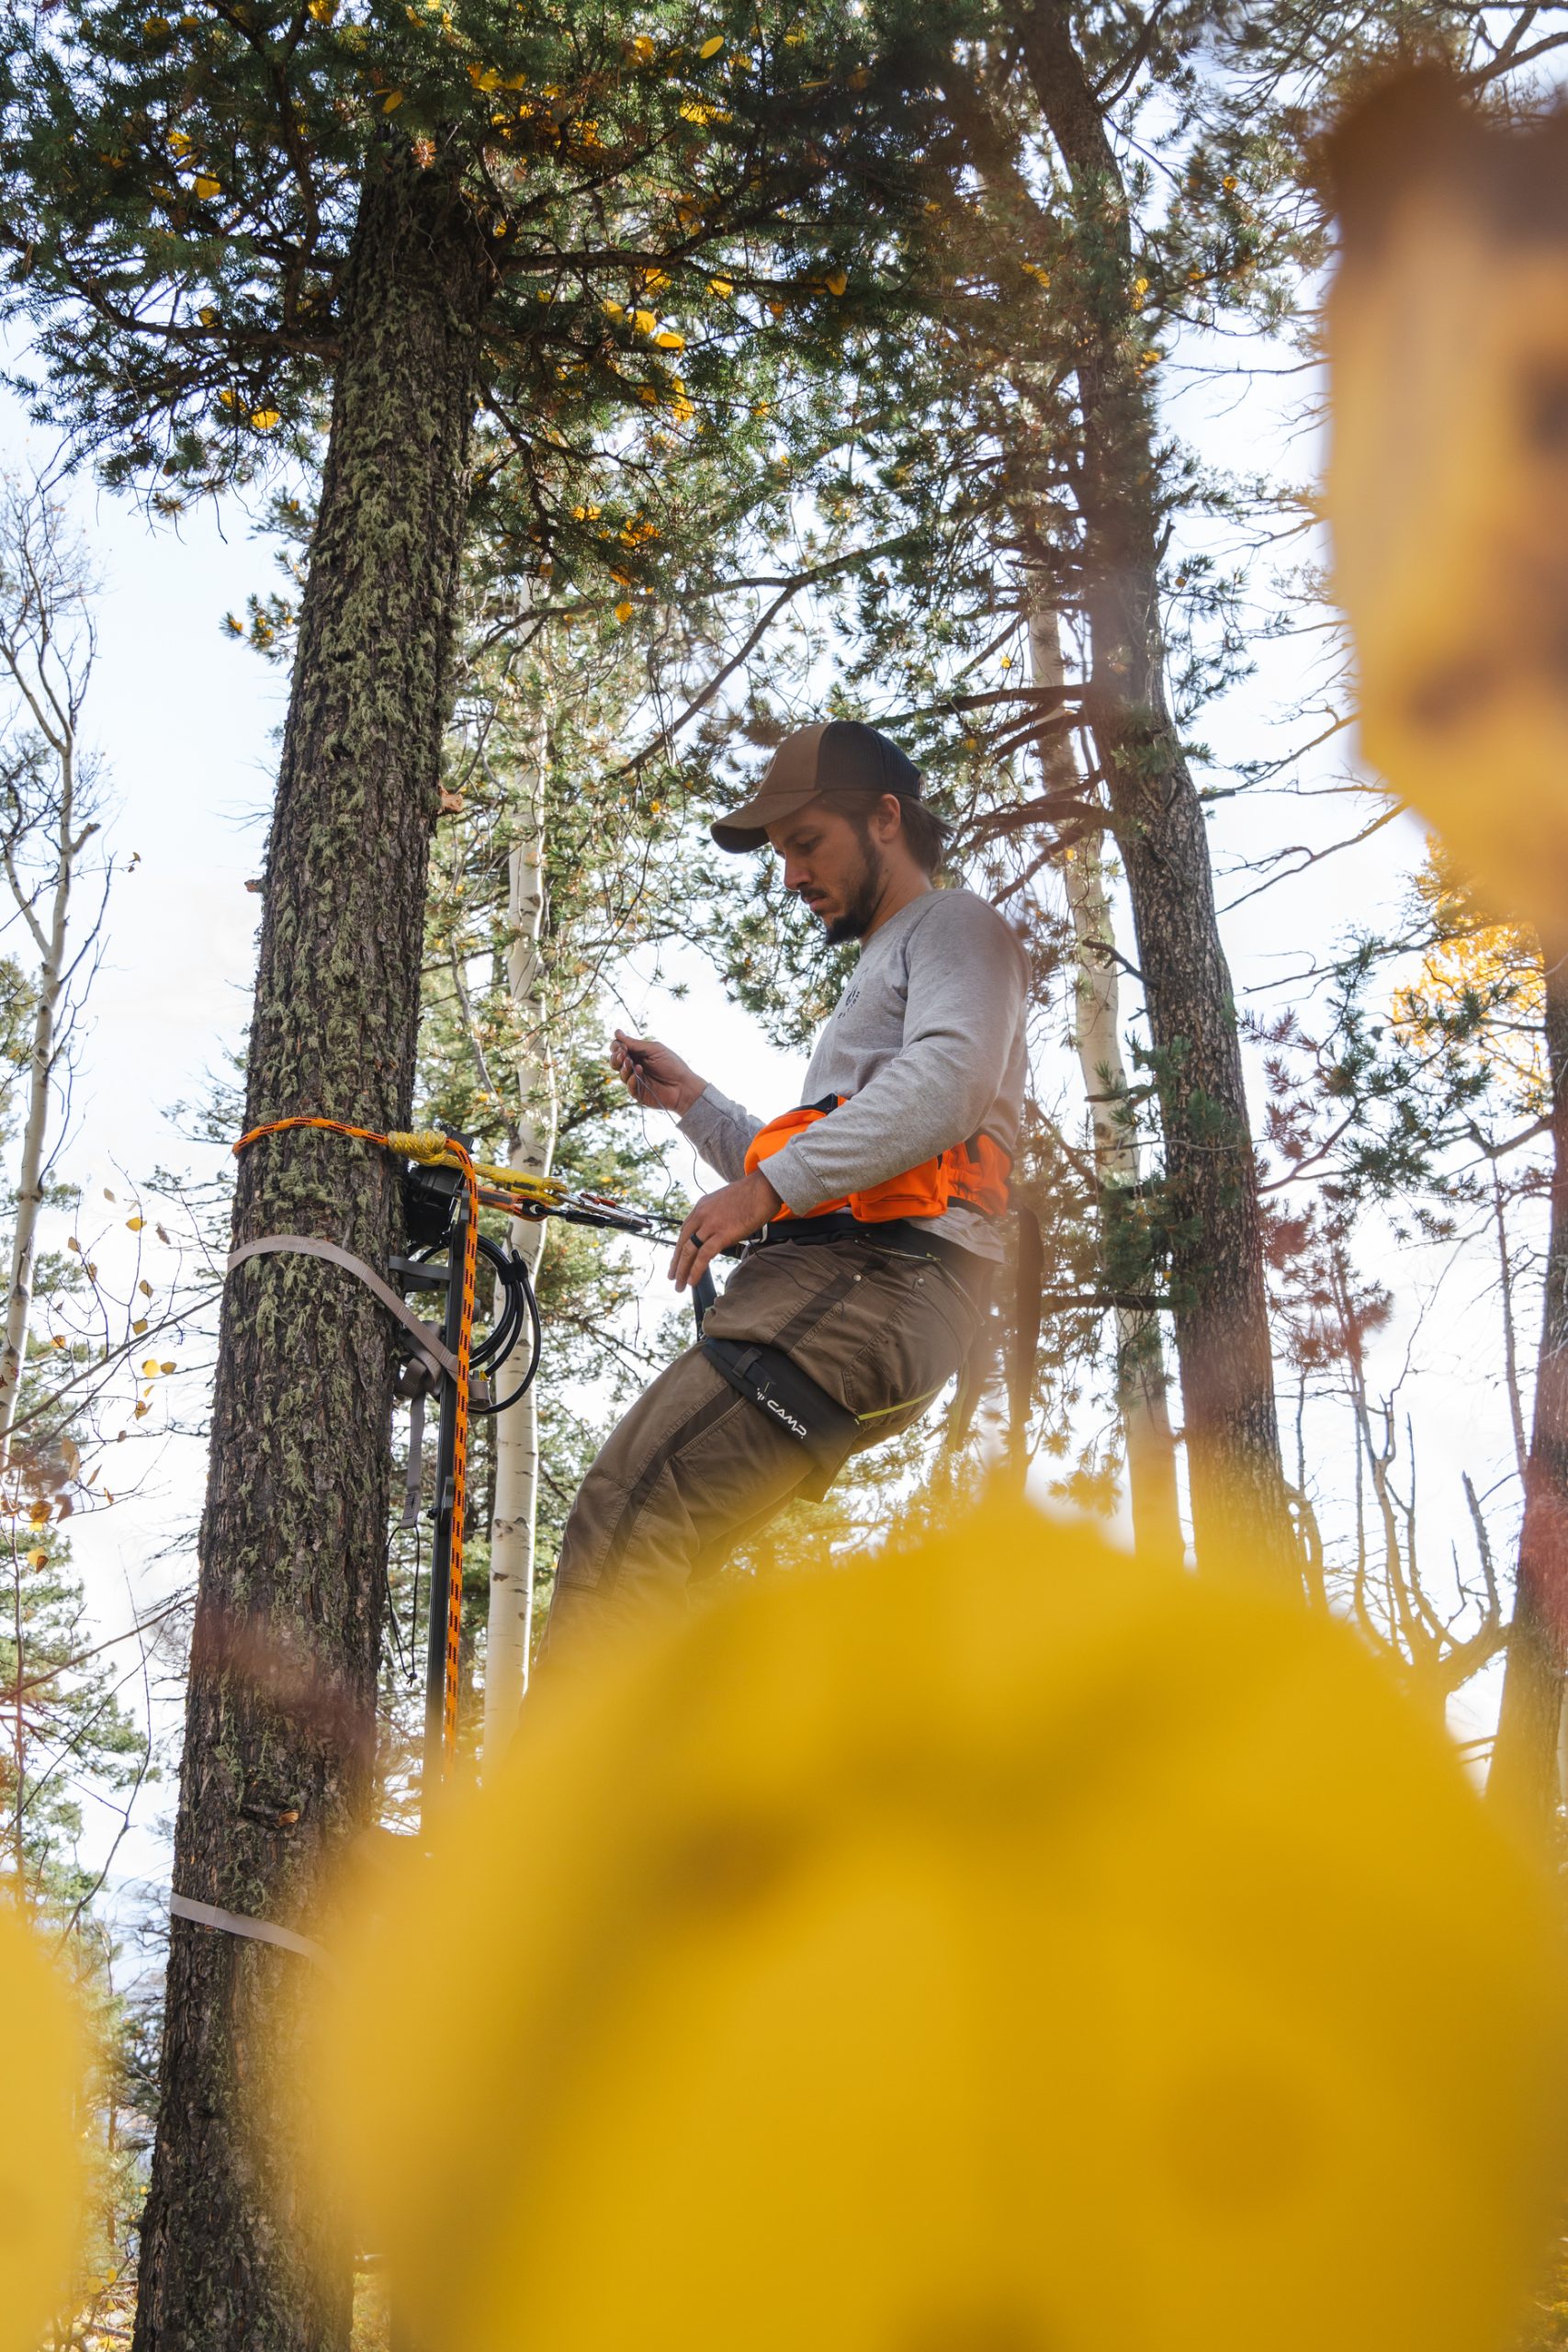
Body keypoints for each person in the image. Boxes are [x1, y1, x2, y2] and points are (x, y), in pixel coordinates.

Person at [544, 718, 1029, 1649]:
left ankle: (570, 1797)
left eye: (806, 842)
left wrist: (763, 1192)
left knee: (629, 1517)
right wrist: (697, 1106)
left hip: (878, 1285)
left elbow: (950, 1083)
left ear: (886, 819)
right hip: (856, 1284)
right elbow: (845, 1160)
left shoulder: (955, 925)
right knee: (652, 1545)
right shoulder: (893, 959)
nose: (792, 875)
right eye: (781, 853)